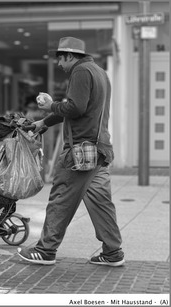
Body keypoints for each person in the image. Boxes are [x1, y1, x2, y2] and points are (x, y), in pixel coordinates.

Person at [17, 37, 124, 267]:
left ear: (70, 56)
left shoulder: (80, 72)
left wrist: (49, 105)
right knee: (100, 202)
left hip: (80, 152)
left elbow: (75, 108)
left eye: (60, 59)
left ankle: (45, 250)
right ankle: (112, 252)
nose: (58, 64)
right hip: (100, 151)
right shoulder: (100, 73)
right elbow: (76, 107)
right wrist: (43, 122)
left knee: (60, 198)